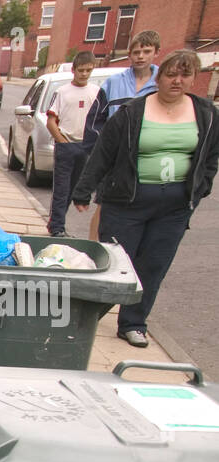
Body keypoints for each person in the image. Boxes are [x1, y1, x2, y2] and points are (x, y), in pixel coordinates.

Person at [73, 49, 219, 348]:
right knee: (115, 263)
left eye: (185, 74)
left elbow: (211, 155)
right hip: (127, 202)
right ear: (159, 76)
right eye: (171, 74)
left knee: (153, 266)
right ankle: (87, 318)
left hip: (174, 207)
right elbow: (103, 154)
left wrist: (202, 187)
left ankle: (133, 323)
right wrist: (83, 190)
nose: (177, 81)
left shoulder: (206, 113)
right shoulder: (132, 112)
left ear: (193, 78)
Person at [81, 30, 161, 239]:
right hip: (115, 158)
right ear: (129, 55)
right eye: (136, 52)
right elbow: (95, 120)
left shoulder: (163, 82)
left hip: (147, 157)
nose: (141, 56)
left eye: (146, 51)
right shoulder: (113, 82)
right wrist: (99, 152)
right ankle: (95, 248)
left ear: (156, 53)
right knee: (103, 204)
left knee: (137, 207)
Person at [46, 51, 100, 237]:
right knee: (61, 189)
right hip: (66, 145)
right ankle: (57, 227)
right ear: (74, 70)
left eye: (88, 71)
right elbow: (51, 121)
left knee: (75, 188)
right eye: (81, 70)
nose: (84, 74)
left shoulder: (96, 92)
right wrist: (61, 140)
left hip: (86, 146)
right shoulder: (62, 92)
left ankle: (59, 223)